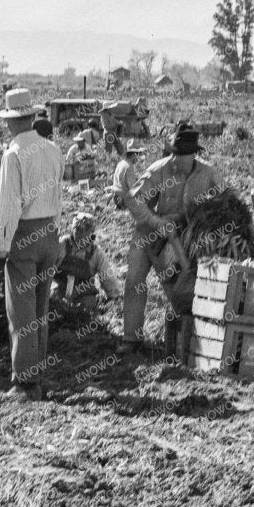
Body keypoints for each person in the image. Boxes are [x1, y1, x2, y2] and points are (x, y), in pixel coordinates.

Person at [0, 91, 63, 400]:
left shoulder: (13, 154)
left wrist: (1, 251)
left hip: (24, 236)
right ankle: (38, 373)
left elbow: (9, 207)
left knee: (22, 312)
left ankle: (25, 381)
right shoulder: (53, 149)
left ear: (10, 122)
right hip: (49, 233)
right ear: (31, 117)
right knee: (41, 308)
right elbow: (58, 196)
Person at [121, 122, 226, 353]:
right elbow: (134, 201)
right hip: (148, 233)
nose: (178, 160)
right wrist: (157, 222)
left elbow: (228, 201)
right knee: (134, 281)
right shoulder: (159, 170)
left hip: (181, 239)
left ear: (194, 155)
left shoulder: (208, 174)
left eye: (183, 155)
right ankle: (131, 339)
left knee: (179, 288)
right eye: (176, 154)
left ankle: (184, 340)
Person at [52, 212, 123, 311]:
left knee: (87, 306)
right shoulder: (61, 245)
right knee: (52, 301)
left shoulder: (96, 253)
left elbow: (107, 276)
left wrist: (114, 297)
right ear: (73, 229)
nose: (81, 234)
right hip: (59, 289)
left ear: (91, 233)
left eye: (85, 232)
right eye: (78, 230)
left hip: (83, 294)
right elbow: (45, 267)